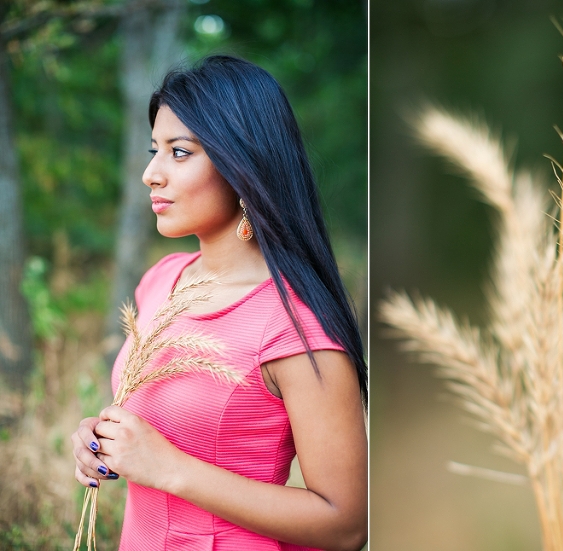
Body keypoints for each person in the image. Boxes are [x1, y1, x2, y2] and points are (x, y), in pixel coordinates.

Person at [70, 55, 368, 551]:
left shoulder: (293, 324)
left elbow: (346, 525)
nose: (151, 173)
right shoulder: (161, 281)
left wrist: (170, 469)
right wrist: (102, 440)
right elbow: (160, 424)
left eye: (179, 152)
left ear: (242, 164)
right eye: (154, 150)